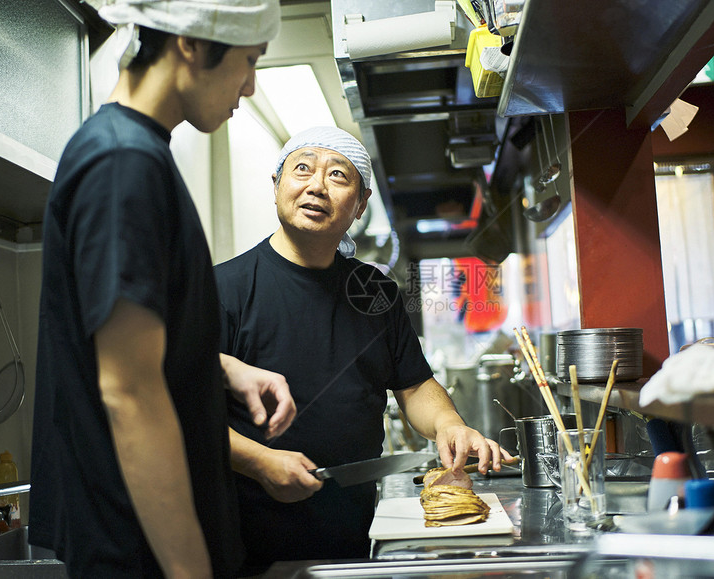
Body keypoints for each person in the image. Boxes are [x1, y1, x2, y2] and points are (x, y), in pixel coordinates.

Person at [29, 1, 296, 577]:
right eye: (248, 62)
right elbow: (129, 392)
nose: (249, 86)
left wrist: (218, 366)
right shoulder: (123, 164)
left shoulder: (132, 149)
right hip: (139, 551)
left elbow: (128, 341)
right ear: (192, 46)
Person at [215, 126, 512, 573]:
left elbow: (414, 385)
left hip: (353, 534)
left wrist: (450, 424)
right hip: (246, 542)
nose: (317, 184)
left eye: (338, 176)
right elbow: (181, 413)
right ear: (276, 185)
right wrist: (259, 462)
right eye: (302, 169)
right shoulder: (223, 290)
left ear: (360, 205)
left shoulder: (375, 292)